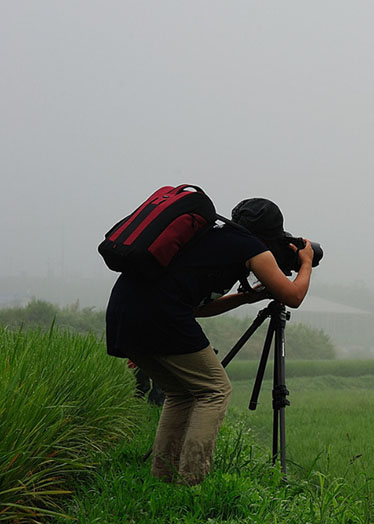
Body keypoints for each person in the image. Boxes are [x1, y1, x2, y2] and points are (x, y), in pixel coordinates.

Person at [105, 198, 314, 485]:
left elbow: (197, 309)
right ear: (271, 233)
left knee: (180, 393)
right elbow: (293, 296)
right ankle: (192, 480)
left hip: (122, 313)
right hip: (161, 315)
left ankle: (163, 479)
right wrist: (306, 263)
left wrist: (245, 298)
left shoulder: (212, 237)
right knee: (214, 390)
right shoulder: (251, 246)